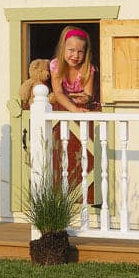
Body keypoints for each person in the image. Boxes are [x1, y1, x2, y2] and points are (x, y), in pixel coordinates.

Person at [49, 26, 96, 203]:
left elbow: (88, 94)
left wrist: (83, 100)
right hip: (65, 107)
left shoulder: (88, 69)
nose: (75, 55)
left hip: (81, 107)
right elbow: (58, 93)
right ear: (63, 49)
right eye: (71, 50)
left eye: (80, 51)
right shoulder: (55, 65)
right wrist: (74, 110)